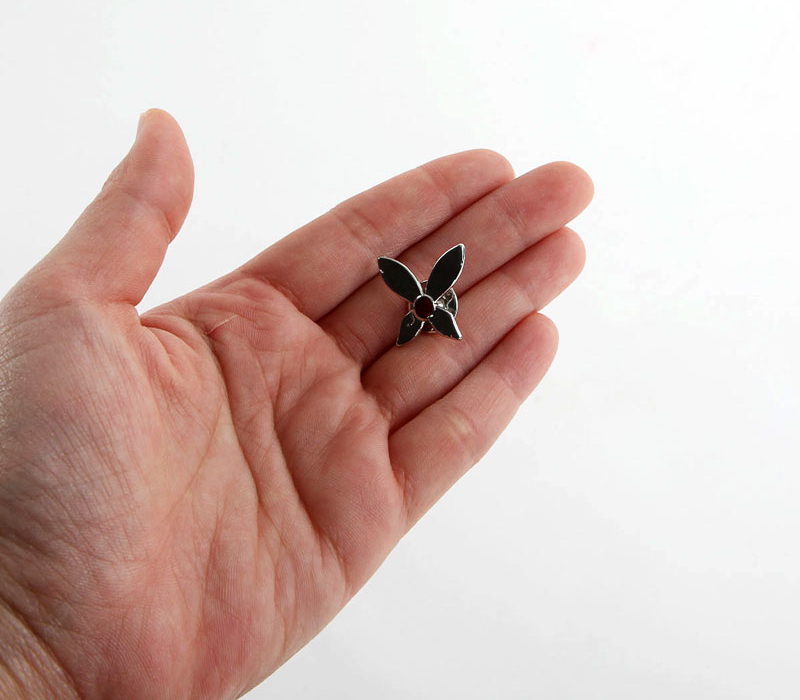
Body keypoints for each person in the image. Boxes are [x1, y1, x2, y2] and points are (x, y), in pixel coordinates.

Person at [0, 109, 593, 699]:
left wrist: (39, 660)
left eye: (426, 308)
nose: (423, 310)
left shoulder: (425, 310)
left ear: (428, 311)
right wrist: (30, 638)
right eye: (422, 308)